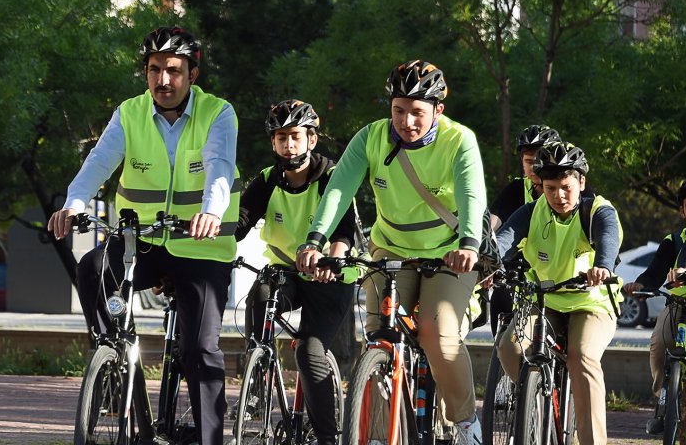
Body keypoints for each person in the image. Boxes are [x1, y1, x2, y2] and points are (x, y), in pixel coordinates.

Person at [47, 26, 239, 445]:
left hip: (199, 247)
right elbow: (99, 162)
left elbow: (219, 166)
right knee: (93, 267)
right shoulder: (130, 112)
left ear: (192, 73)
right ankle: (115, 355)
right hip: (142, 242)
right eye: (154, 70)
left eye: (173, 70)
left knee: (200, 351)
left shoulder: (218, 113)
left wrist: (211, 210)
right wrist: (75, 202)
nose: (163, 80)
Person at [295, 59, 487, 445]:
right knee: (380, 335)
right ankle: (381, 433)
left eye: (417, 112)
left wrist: (469, 243)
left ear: (438, 111)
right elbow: (338, 190)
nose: (407, 121)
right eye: (399, 110)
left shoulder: (459, 139)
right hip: (390, 249)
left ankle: (465, 421)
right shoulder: (371, 138)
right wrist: (315, 239)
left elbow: (471, 193)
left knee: (437, 330)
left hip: (448, 254)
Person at [234, 99, 360, 445]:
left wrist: (333, 260)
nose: (288, 145)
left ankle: (327, 437)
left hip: (329, 277)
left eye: (295, 137)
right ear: (273, 142)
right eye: (280, 138)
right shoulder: (267, 180)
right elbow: (240, 222)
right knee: (261, 293)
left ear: (311, 140)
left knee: (309, 351)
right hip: (286, 271)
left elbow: (345, 230)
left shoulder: (333, 177)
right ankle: (258, 381)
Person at [494, 142, 622, 445]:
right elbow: (504, 240)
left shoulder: (597, 210)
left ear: (581, 182)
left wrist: (602, 266)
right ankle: (534, 401)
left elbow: (608, 237)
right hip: (544, 300)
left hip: (591, 302)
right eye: (550, 188)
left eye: (565, 187)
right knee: (508, 348)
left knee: (582, 356)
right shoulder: (531, 212)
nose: (558, 196)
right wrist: (489, 265)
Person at [622, 177, 686, 434]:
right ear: (681, 211)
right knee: (659, 343)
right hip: (678, 305)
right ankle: (664, 399)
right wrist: (640, 284)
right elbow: (655, 270)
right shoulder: (675, 240)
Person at [485, 125, 563, 334]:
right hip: (516, 269)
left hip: (558, 270)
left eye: (541, 159)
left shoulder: (568, 190)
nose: (535, 167)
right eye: (529, 162)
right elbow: (492, 222)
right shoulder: (516, 189)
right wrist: (482, 250)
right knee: (502, 324)